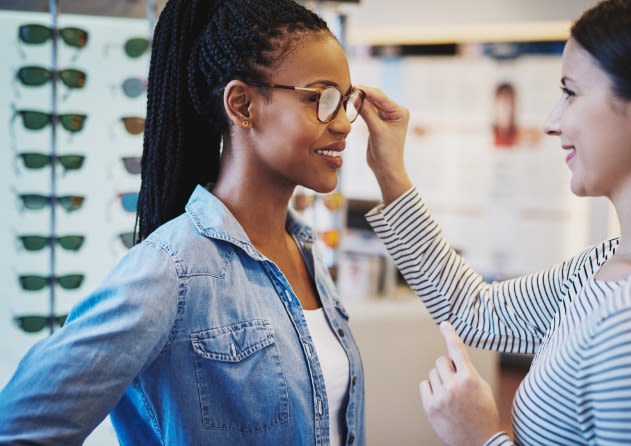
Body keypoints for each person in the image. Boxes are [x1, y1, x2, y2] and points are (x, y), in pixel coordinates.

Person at [0, 0, 366, 444]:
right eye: (321, 100)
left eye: (347, 101)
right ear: (242, 104)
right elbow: (19, 428)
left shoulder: (303, 253)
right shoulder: (171, 269)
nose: (345, 123)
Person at [358, 0, 631, 444]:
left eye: (571, 92)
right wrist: (391, 173)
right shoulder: (604, 264)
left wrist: (481, 436)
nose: (551, 121)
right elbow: (474, 310)